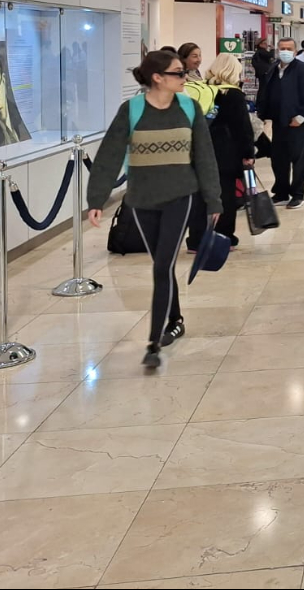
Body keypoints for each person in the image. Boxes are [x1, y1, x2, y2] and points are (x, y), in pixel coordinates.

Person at [86, 50, 221, 369]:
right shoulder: (131, 110)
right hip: (142, 200)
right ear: (157, 78)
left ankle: (153, 343)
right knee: (163, 265)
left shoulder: (189, 108)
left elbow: (204, 156)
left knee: (162, 265)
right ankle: (175, 319)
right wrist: (96, 200)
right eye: (177, 73)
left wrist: (214, 200)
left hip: (181, 196)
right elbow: (109, 156)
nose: (184, 77)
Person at [184, 54, 256, 251]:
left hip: (199, 151)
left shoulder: (202, 89)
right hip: (225, 153)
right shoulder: (233, 94)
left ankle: (196, 240)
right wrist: (248, 152)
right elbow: (242, 128)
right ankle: (224, 236)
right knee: (225, 195)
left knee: (200, 197)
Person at [257, 36, 304, 209]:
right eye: (282, 48)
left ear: (295, 50)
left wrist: (300, 118)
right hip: (279, 122)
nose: (285, 52)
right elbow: (266, 92)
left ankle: (298, 194)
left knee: (298, 159)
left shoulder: (303, 70)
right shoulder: (273, 69)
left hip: (299, 123)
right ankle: (281, 192)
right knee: (279, 158)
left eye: (289, 48)